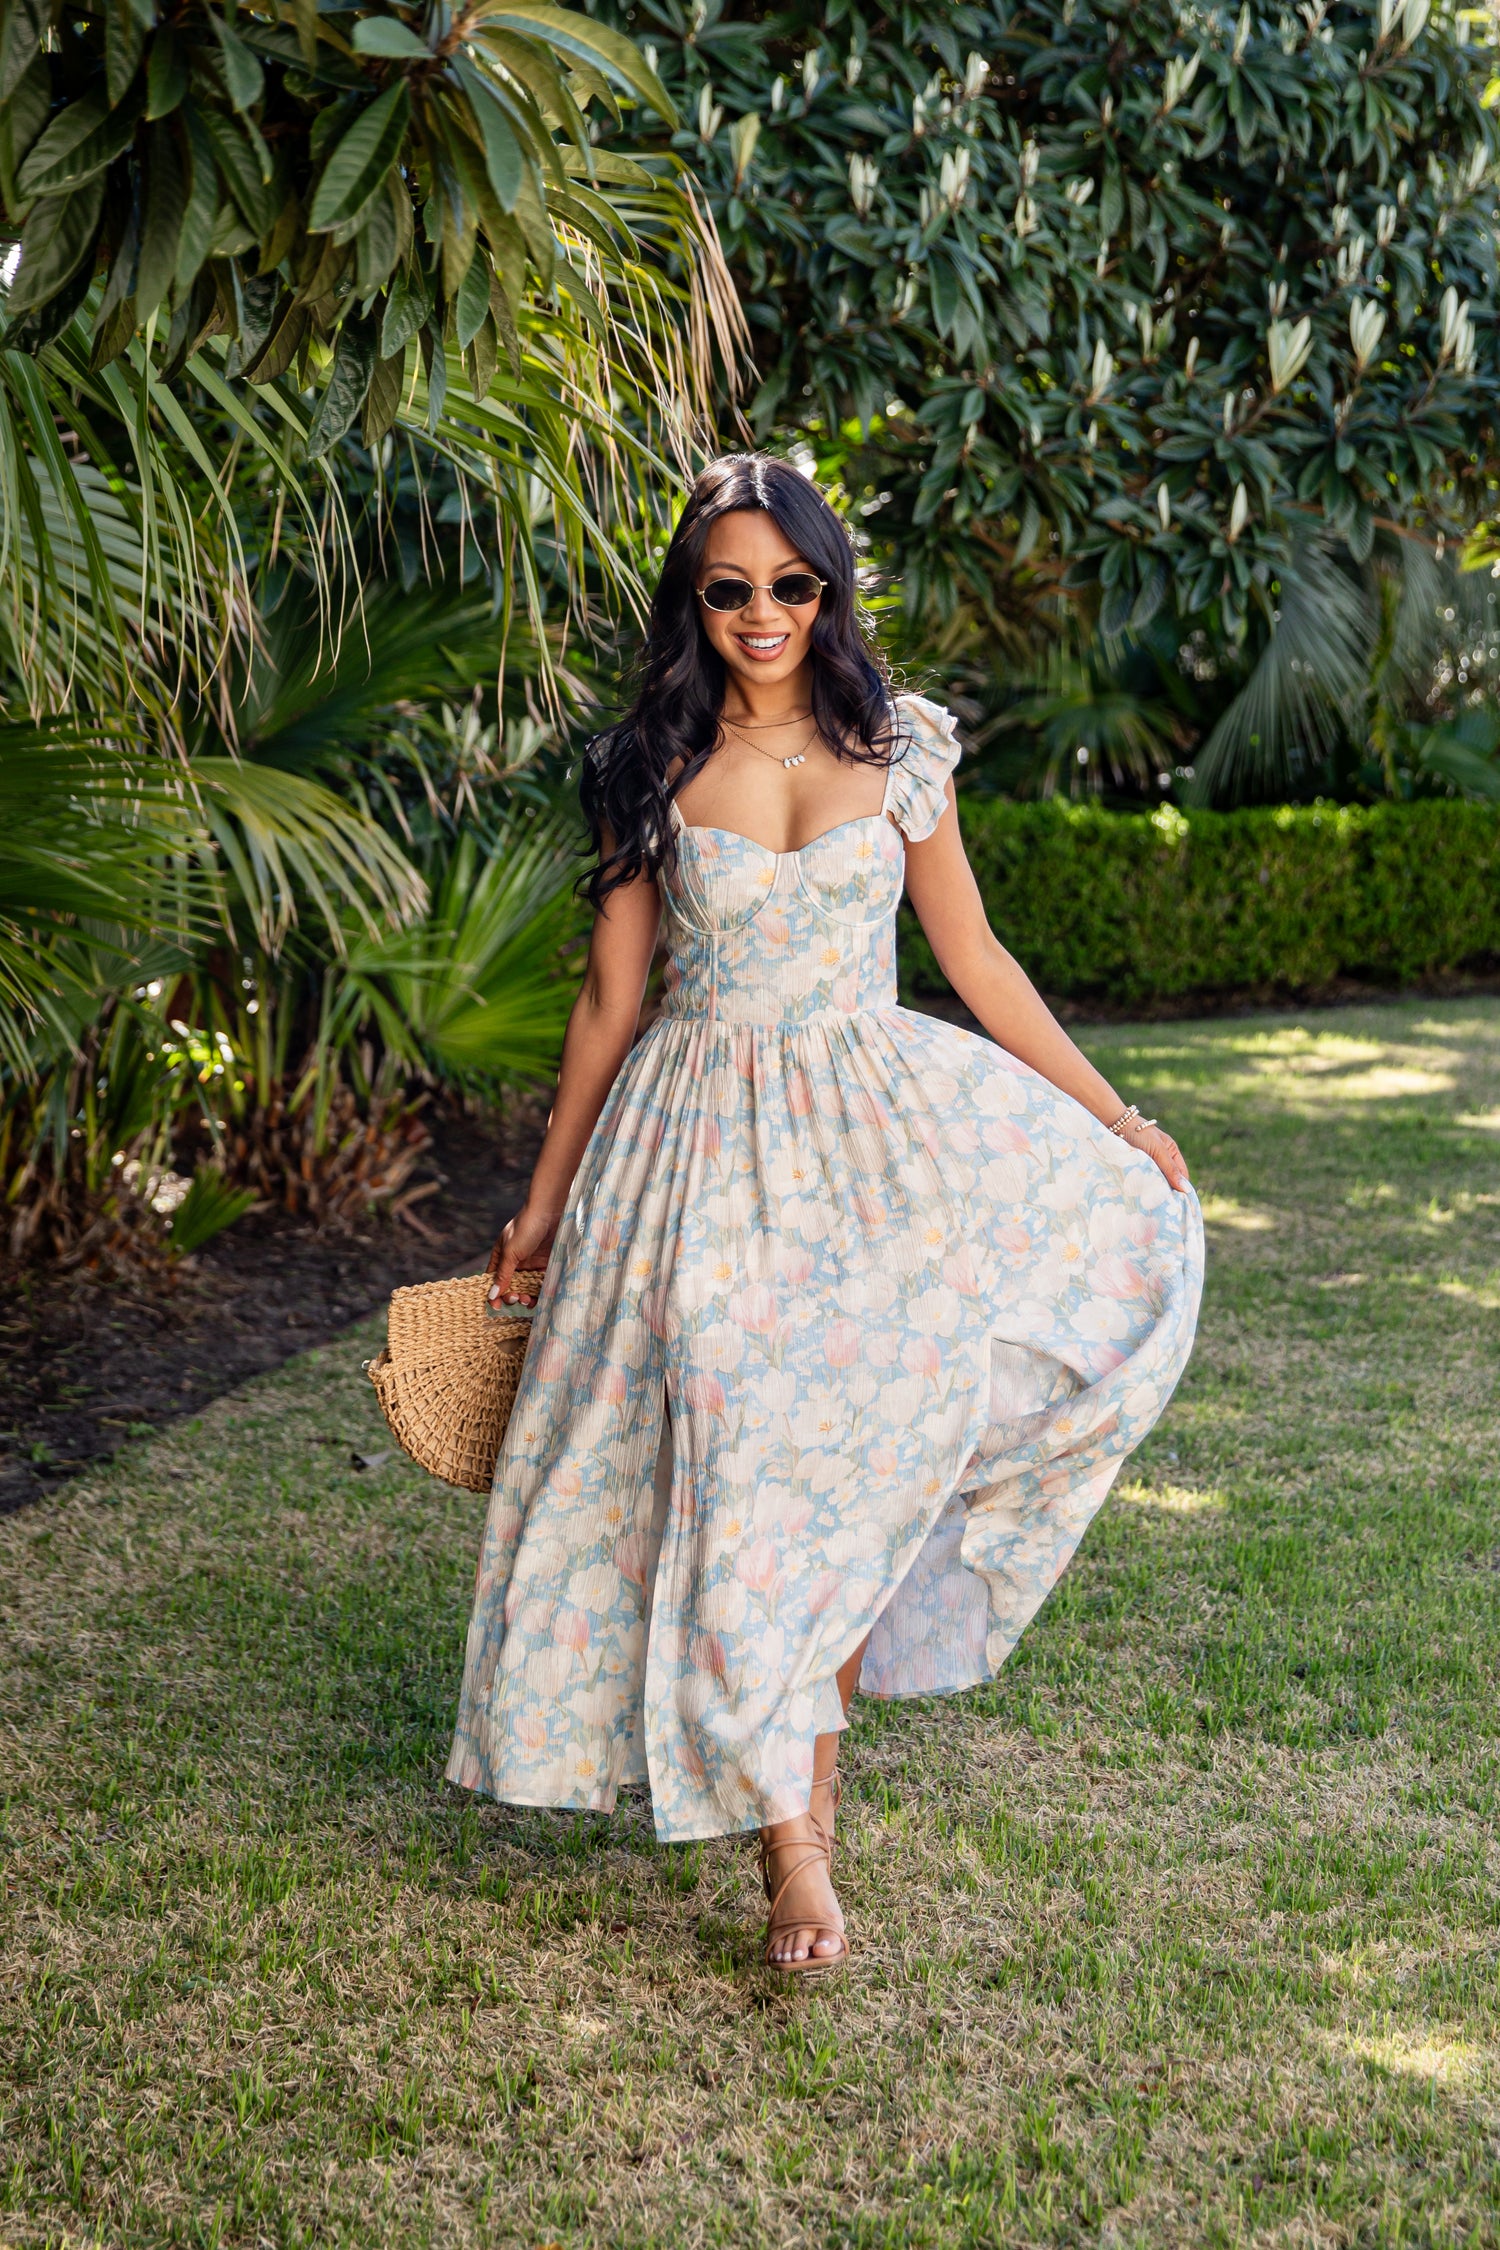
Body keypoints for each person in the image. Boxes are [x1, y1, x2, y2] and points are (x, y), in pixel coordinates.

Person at [447, 454, 1204, 1976]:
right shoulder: (647, 766)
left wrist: (1113, 1117)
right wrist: (540, 1205)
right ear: (695, 601)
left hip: (874, 1139)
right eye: (729, 588)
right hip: (700, 1143)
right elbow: (609, 1001)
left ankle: (805, 1810)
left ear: (827, 585)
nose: (762, 612)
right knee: (735, 1436)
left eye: (790, 582)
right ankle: (793, 1842)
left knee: (866, 1452)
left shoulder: (898, 749)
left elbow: (977, 962)